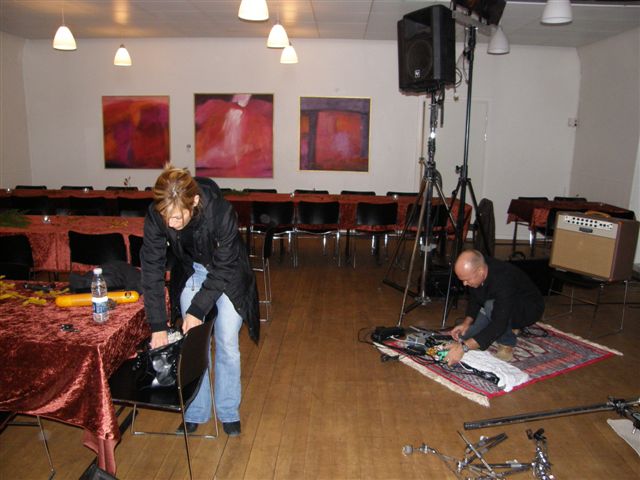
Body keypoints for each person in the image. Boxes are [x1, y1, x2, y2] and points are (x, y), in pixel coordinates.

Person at [141, 165, 259, 436]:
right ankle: (196, 410)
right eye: (166, 217)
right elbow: (151, 270)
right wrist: (157, 326)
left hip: (227, 272)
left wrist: (196, 310)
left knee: (226, 341)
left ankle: (228, 411)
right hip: (192, 270)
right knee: (194, 343)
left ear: (194, 202)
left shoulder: (220, 211)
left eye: (177, 217)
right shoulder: (157, 215)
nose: (170, 224)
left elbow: (225, 265)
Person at [444, 249, 544, 366]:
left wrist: (464, 348)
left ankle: (507, 343)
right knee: (467, 335)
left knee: (490, 309)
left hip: (528, 309)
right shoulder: (479, 266)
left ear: (481, 271)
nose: (464, 284)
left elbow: (499, 323)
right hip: (499, 304)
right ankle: (510, 327)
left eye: (467, 279)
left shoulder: (503, 279)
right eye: (462, 280)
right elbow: (475, 296)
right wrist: (467, 322)